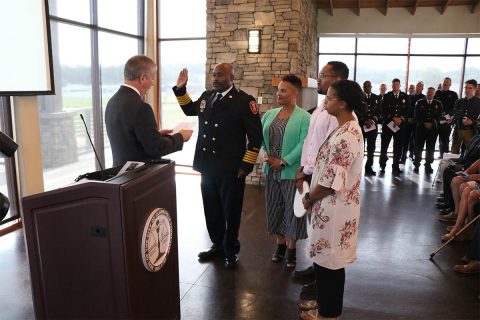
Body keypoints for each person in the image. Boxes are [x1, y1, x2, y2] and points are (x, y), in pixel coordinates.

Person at [172, 63, 262, 269]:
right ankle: (217, 246)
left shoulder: (244, 102)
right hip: (207, 166)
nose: (215, 78)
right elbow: (189, 110)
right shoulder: (207, 96)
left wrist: (246, 165)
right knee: (211, 209)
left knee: (231, 211)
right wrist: (180, 89)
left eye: (220, 75)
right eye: (214, 75)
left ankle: (231, 249)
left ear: (232, 76)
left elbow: (256, 137)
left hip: (231, 169)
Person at [300, 80, 365, 320]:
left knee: (330, 265)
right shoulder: (343, 127)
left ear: (343, 103)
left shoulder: (348, 135)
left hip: (334, 209)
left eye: (329, 98)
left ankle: (329, 314)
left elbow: (329, 182)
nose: (325, 101)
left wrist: (308, 198)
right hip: (329, 207)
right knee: (327, 264)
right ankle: (325, 308)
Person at [294, 61, 350, 297]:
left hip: (323, 181)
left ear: (336, 79)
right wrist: (302, 169)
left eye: (322, 75)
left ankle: (322, 281)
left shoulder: (338, 114)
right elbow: (311, 143)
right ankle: (316, 268)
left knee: (325, 231)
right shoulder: (321, 108)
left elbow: (328, 153)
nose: (318, 79)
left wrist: (313, 181)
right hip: (311, 172)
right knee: (314, 226)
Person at [105, 55, 192, 167]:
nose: (152, 84)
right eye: (152, 78)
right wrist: (180, 137)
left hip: (120, 172)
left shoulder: (112, 101)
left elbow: (128, 137)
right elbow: (156, 148)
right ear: (142, 78)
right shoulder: (141, 107)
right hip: (139, 176)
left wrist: (155, 135)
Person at [261, 74, 310, 268]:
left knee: (293, 211)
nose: (278, 94)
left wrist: (283, 162)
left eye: (283, 90)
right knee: (275, 207)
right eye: (278, 90)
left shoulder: (305, 117)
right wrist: (266, 157)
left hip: (292, 172)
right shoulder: (269, 114)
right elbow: (261, 140)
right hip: (271, 170)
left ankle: (291, 249)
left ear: (295, 93)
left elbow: (304, 143)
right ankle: (279, 245)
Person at [379, 78, 410, 174]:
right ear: (392, 86)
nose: (395, 86)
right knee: (384, 146)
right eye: (394, 84)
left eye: (397, 84)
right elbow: (383, 110)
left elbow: (408, 110)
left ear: (400, 85)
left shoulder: (405, 96)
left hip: (400, 126)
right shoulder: (387, 96)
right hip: (389, 124)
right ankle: (382, 165)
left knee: (398, 146)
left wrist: (401, 119)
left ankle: (395, 166)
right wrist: (393, 118)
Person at [413, 87, 443, 174]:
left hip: (432, 130)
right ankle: (417, 164)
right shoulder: (419, 102)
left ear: (434, 94)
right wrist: (424, 124)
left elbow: (439, 116)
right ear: (426, 93)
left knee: (431, 148)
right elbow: (416, 115)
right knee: (418, 147)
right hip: (421, 129)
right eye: (428, 92)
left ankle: (428, 164)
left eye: (431, 92)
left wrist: (432, 124)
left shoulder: (438, 103)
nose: (429, 93)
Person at [451, 79, 480, 155]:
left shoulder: (478, 102)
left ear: (475, 89)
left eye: (470, 88)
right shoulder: (459, 101)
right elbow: (455, 114)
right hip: (458, 129)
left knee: (470, 153)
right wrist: (455, 120)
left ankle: (467, 167)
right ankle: (453, 167)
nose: (467, 90)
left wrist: (472, 121)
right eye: (466, 88)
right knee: (454, 152)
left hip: (471, 131)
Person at [358, 80, 380, 175]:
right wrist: (364, 121)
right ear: (363, 87)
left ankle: (369, 167)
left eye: (369, 86)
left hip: (372, 127)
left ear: (371, 87)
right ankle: (358, 168)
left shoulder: (376, 98)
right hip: (362, 126)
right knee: (360, 148)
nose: (367, 88)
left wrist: (373, 120)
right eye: (365, 86)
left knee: (371, 148)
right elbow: (356, 111)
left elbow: (380, 112)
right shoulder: (359, 98)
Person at [435, 77, 459, 158]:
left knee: (444, 142)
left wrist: (449, 116)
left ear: (450, 84)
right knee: (433, 141)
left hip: (446, 122)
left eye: (447, 82)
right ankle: (438, 156)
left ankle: (444, 159)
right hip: (436, 121)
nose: (445, 83)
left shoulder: (453, 94)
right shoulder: (437, 93)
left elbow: (456, 108)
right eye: (444, 82)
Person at [402, 81, 425, 163]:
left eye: (420, 86)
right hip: (407, 121)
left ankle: (414, 156)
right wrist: (408, 118)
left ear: (422, 88)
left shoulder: (424, 98)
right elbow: (406, 109)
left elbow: (423, 112)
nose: (418, 87)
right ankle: (403, 157)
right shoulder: (409, 97)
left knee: (416, 141)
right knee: (405, 139)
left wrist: (415, 119)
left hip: (417, 123)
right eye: (417, 86)